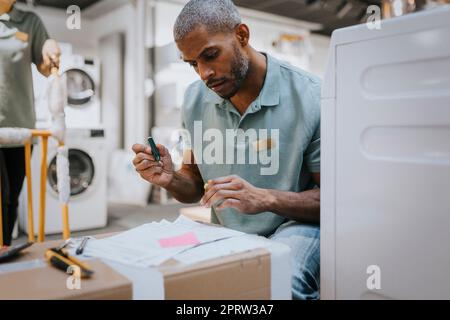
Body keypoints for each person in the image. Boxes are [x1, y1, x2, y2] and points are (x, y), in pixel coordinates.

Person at [132, 0, 321, 299]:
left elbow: (336, 202)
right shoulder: (194, 100)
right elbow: (193, 185)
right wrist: (170, 178)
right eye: (193, 63)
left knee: (278, 281)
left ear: (242, 36)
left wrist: (267, 197)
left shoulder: (310, 95)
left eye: (210, 55)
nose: (204, 73)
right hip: (227, 233)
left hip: (295, 226)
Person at [0, 0, 60, 246]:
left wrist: (50, 49)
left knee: (12, 197)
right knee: (1, 196)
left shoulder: (30, 22)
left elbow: (46, 68)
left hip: (21, 128)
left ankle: (4, 254)